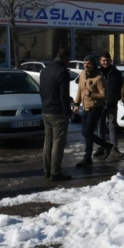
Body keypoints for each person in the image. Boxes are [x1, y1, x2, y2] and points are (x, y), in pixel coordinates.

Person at [73, 55, 114, 167]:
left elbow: (105, 96)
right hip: (85, 108)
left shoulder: (99, 78)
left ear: (93, 64)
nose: (86, 65)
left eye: (89, 63)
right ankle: (105, 146)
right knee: (86, 133)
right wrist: (76, 104)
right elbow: (80, 91)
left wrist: (91, 94)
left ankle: (87, 156)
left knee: (87, 132)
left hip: (95, 108)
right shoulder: (82, 75)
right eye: (84, 63)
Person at [39, 49, 72, 181]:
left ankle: (47, 170)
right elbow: (64, 95)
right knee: (58, 143)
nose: (69, 63)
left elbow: (41, 91)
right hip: (58, 112)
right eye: (69, 61)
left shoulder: (45, 70)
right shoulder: (62, 72)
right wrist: (67, 112)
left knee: (48, 142)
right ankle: (55, 172)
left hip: (46, 110)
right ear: (65, 59)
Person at [94, 52, 124, 157]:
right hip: (99, 104)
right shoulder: (97, 73)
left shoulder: (116, 73)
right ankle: (101, 147)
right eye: (103, 60)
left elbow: (121, 86)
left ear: (110, 61)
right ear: (100, 61)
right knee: (100, 126)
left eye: (107, 60)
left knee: (112, 126)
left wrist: (117, 96)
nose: (105, 62)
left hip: (111, 103)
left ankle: (114, 147)